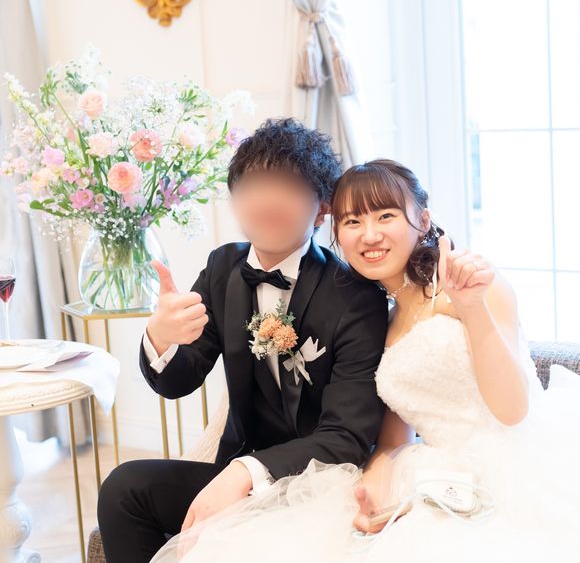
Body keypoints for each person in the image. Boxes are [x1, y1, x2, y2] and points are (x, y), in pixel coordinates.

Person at [152, 158, 580, 563]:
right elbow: (393, 440)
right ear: (336, 232)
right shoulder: (381, 321)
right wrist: (375, 486)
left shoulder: (472, 284)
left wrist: (473, 308)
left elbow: (512, 411)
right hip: (433, 474)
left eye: (386, 216)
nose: (369, 235)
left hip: (514, 466)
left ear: (423, 220)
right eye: (353, 221)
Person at [96, 119, 389, 563]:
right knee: (124, 488)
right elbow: (177, 382)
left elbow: (346, 436)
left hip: (317, 484)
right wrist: (161, 338)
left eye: (288, 187)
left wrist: (246, 471)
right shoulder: (223, 268)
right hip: (237, 472)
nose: (267, 201)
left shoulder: (356, 297)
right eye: (253, 186)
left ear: (322, 208)